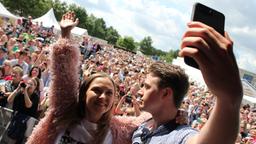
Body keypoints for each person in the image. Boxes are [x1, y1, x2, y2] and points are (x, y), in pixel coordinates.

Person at [26, 12, 152, 144]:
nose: (103, 97)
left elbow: (150, 118)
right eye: (97, 90)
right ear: (83, 93)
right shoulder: (64, 114)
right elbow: (64, 76)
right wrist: (65, 34)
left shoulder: (119, 131)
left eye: (109, 93)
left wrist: (174, 113)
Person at [132, 21, 243, 144]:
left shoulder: (179, 137)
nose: (140, 91)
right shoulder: (143, 124)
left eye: (147, 87)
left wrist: (229, 99)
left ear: (166, 93)